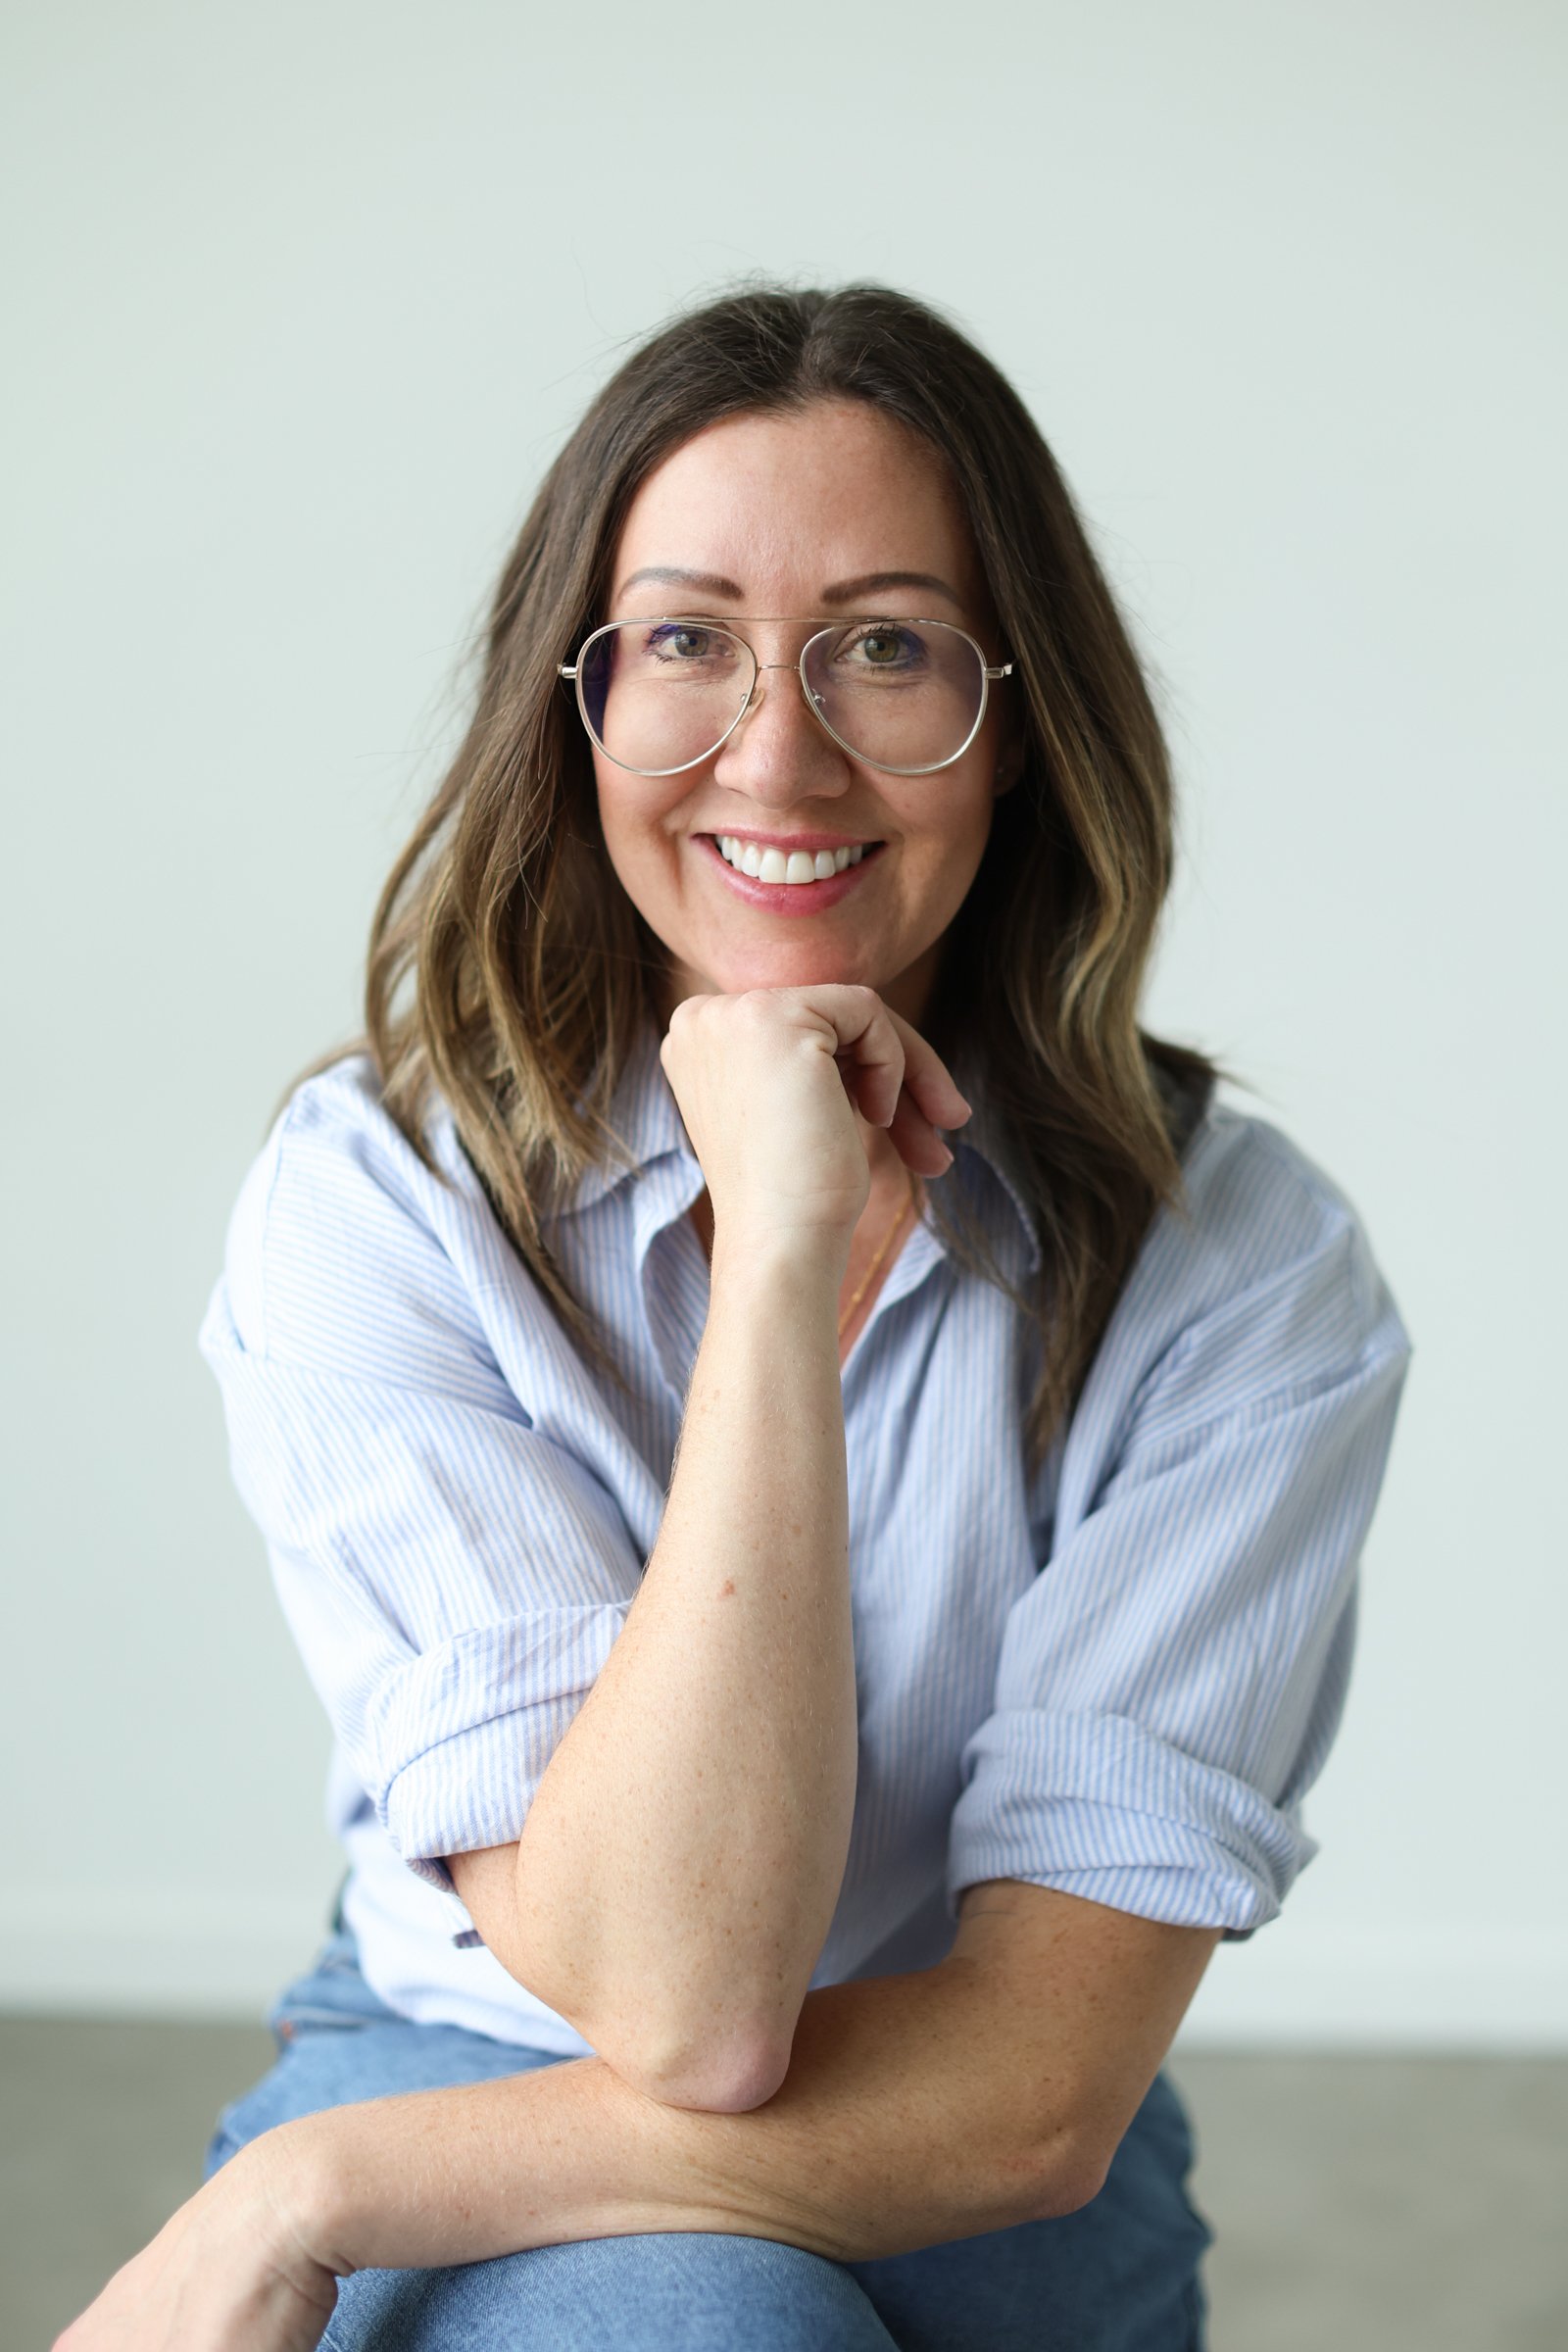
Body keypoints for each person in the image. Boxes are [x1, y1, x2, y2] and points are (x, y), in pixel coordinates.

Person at [57, 282, 1413, 2352]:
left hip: (969, 2132)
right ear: (572, 701)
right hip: (483, 2063)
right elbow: (676, 2004)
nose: (772, 753)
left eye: (882, 645)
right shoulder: (381, 1201)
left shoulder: (1242, 1266)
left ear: (1018, 715)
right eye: (682, 639)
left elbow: (1038, 2086)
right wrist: (777, 1272)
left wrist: (310, 2192)